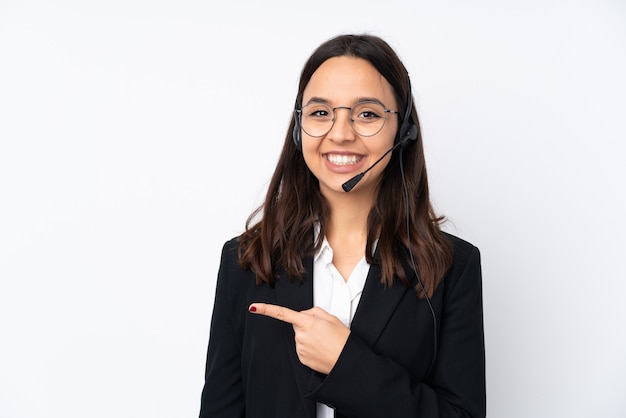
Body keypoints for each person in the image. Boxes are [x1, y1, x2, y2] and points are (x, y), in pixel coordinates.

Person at [199, 33, 485, 418]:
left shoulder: (453, 266)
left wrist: (347, 363)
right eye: (320, 113)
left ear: (402, 130)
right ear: (300, 129)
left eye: (367, 114)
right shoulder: (246, 260)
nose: (340, 133)